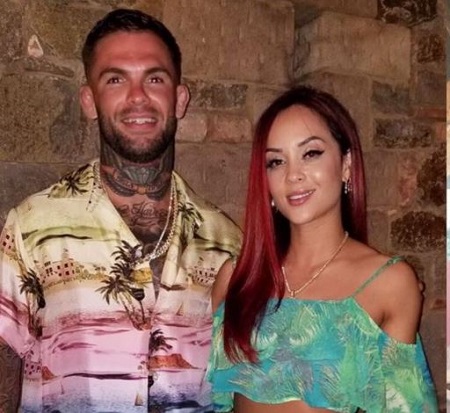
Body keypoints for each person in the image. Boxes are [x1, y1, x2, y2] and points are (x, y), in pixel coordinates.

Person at [0, 8, 241, 413]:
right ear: (89, 101)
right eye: (115, 79)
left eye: (155, 78)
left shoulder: (228, 243)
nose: (137, 97)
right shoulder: (31, 229)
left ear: (180, 99)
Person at [207, 86, 438, 412]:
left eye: (311, 153)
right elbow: (216, 401)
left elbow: (406, 404)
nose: (293, 175)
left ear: (346, 165)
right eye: (276, 161)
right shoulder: (238, 277)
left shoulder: (389, 282)